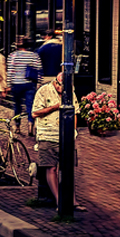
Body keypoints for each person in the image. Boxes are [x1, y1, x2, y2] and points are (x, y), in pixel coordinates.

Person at [31, 73, 84, 212]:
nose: (64, 91)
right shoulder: (44, 91)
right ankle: (59, 200)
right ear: (56, 82)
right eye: (62, 87)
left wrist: (74, 131)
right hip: (47, 135)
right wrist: (54, 107)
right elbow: (34, 113)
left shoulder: (70, 92)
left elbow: (75, 111)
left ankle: (72, 201)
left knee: (68, 169)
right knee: (51, 168)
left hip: (66, 136)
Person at [7, 36, 43, 134]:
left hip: (16, 84)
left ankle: (17, 126)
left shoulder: (13, 56)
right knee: (30, 105)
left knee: (17, 106)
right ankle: (30, 125)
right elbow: (39, 69)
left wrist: (8, 84)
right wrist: (39, 83)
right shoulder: (34, 55)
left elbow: (10, 71)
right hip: (29, 83)